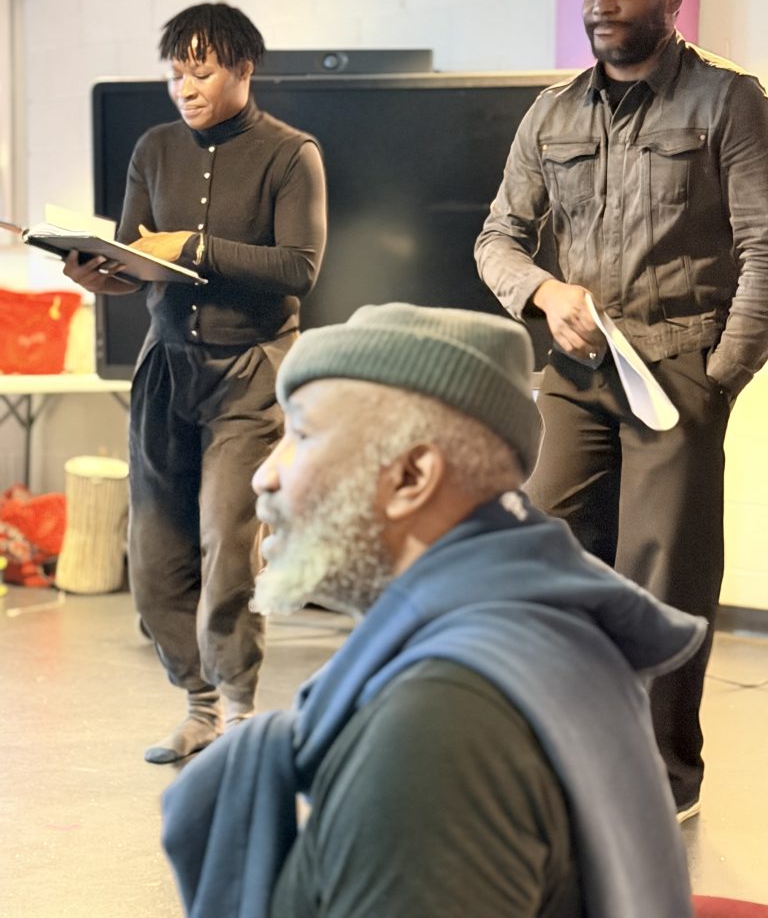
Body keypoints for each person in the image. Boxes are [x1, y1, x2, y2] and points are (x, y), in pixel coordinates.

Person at [161, 302, 703, 918]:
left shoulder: (437, 722)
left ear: (412, 476)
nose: (264, 476)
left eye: (302, 435)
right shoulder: (546, 621)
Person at [475, 0, 768, 820]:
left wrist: (719, 376)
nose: (603, 5)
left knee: (662, 578)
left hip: (679, 369)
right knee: (541, 557)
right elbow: (497, 239)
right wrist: (542, 292)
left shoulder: (728, 101)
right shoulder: (552, 111)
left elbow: (765, 245)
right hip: (577, 365)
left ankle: (662, 780)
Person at [63, 2, 327, 763]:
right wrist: (95, 273)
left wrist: (199, 246)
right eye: (177, 73)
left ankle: (240, 711)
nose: (186, 87)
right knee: (153, 558)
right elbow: (133, 262)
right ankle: (198, 703)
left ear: (244, 68)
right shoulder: (152, 148)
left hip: (250, 372)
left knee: (227, 542)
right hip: (166, 366)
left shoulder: (290, 154)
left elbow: (299, 267)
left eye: (202, 72)